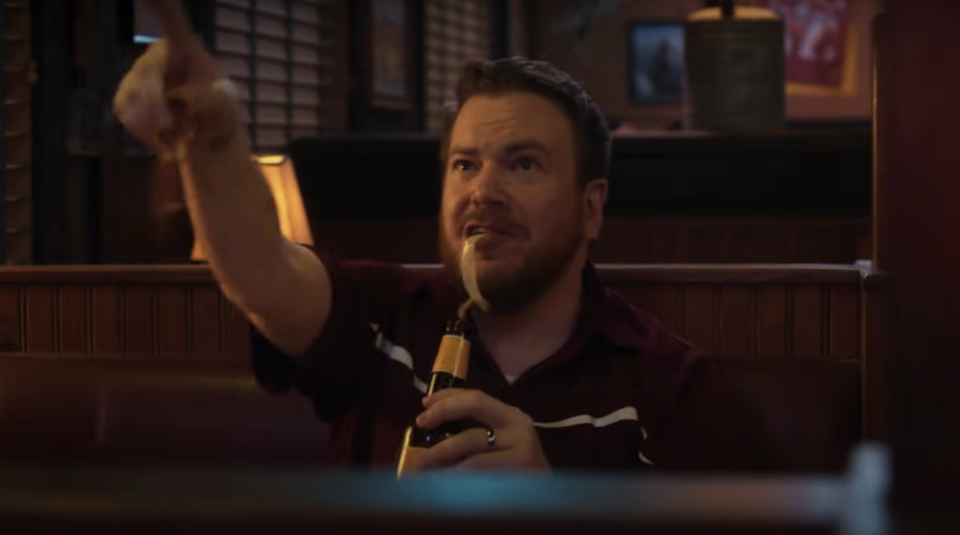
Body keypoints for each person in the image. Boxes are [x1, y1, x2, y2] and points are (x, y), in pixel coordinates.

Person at [115, 0, 772, 473]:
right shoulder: (381, 314)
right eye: (465, 163)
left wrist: (551, 508)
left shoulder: (670, 387)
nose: (483, 189)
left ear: (590, 208)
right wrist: (211, 132)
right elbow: (259, 269)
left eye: (524, 163)